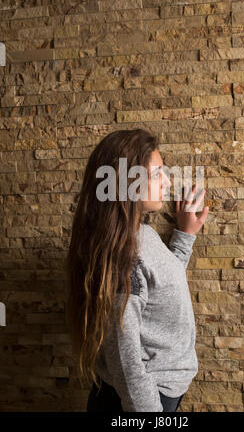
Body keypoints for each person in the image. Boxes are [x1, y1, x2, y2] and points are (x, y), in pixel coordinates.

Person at [66, 128, 209, 412]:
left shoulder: (141, 234)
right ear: (126, 182)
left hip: (154, 394)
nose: (167, 180)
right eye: (156, 174)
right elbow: (127, 364)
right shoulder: (122, 259)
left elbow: (161, 284)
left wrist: (184, 236)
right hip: (141, 402)